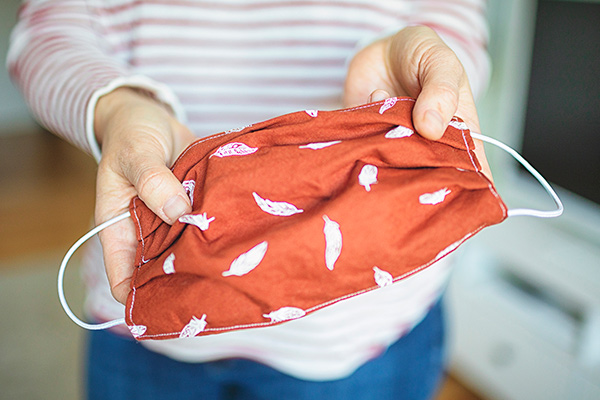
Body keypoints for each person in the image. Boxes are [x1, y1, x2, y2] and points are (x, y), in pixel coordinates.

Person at [8, 1, 491, 399]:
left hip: (362, 328)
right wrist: (116, 107)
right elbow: (51, 27)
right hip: (146, 296)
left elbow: (454, 19)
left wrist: (426, 74)